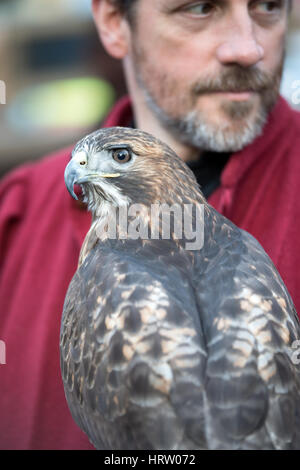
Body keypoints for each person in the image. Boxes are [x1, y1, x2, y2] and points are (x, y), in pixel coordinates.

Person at [0, 0, 299, 450]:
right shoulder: (14, 216)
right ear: (114, 23)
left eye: (268, 6)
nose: (247, 48)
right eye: (200, 8)